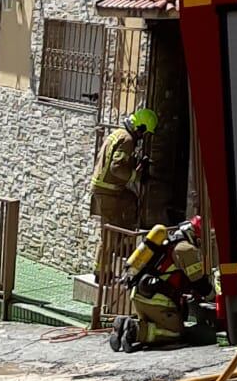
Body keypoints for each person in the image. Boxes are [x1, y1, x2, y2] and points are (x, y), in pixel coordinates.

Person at [110, 216, 213, 352]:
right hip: (158, 301)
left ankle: (123, 324)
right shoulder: (186, 249)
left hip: (140, 296)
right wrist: (213, 296)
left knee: (155, 325)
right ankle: (135, 330)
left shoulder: (166, 243)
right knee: (176, 333)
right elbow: (199, 282)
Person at [89, 107, 158, 275]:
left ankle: (125, 244)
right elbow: (116, 168)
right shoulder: (127, 140)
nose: (143, 138)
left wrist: (136, 164)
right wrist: (136, 176)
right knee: (110, 233)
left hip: (108, 189)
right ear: (140, 128)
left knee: (130, 200)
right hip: (108, 191)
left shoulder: (119, 134)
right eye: (144, 133)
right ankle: (101, 272)